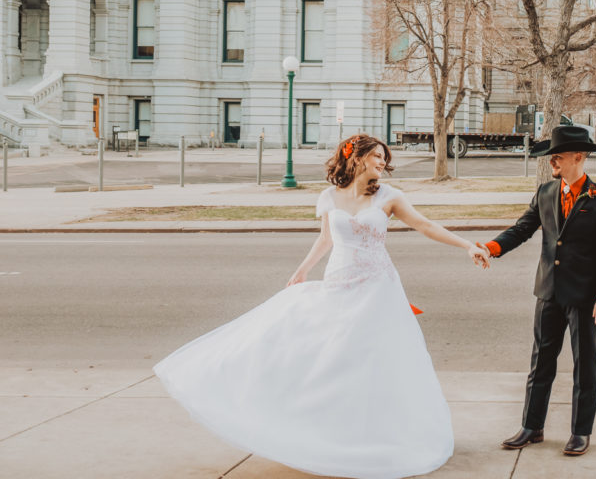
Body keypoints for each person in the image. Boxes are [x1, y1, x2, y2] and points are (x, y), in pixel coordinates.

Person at [154, 133, 490, 479]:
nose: (382, 163)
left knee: (375, 362)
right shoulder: (329, 197)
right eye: (376, 156)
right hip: (338, 283)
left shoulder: (390, 197)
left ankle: (377, 436)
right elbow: (326, 238)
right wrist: (302, 270)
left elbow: (425, 225)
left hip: (378, 289)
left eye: (383, 158)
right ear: (356, 158)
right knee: (328, 360)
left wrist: (467, 245)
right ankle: (321, 432)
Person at [479, 125, 596, 458]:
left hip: (586, 298)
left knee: (584, 365)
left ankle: (580, 432)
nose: (552, 162)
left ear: (579, 156)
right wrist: (491, 247)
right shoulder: (546, 192)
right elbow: (522, 229)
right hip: (548, 292)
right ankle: (532, 427)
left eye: (557, 156)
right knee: (540, 363)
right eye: (551, 157)